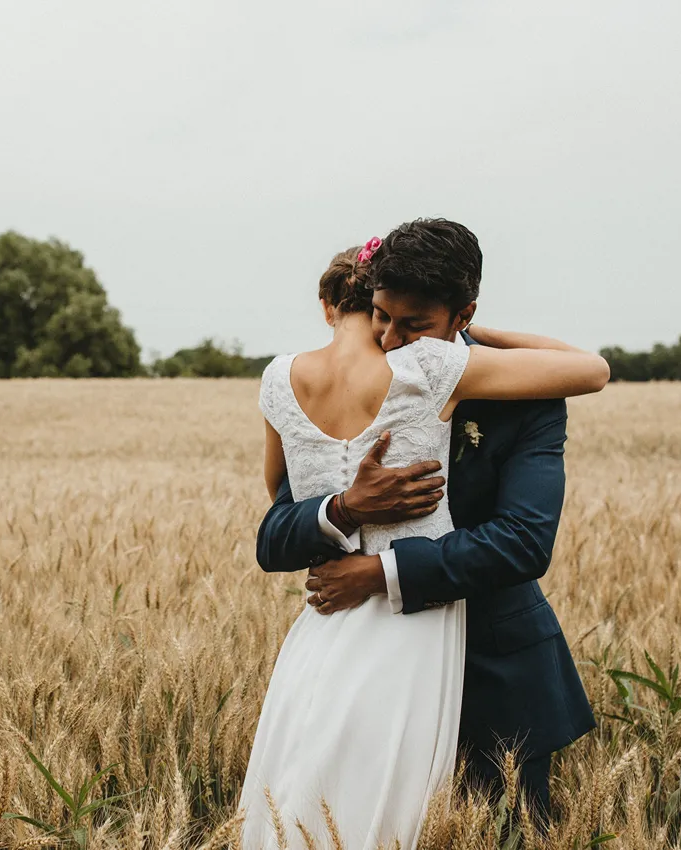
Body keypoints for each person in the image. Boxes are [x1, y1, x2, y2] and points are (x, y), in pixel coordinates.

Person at [239, 220, 606, 849]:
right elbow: (276, 534)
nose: (389, 340)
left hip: (494, 680)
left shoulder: (524, 395)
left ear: (462, 314)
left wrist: (377, 574)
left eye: (413, 325)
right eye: (380, 315)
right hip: (359, 673)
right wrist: (345, 508)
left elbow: (523, 542)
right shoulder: (359, 381)